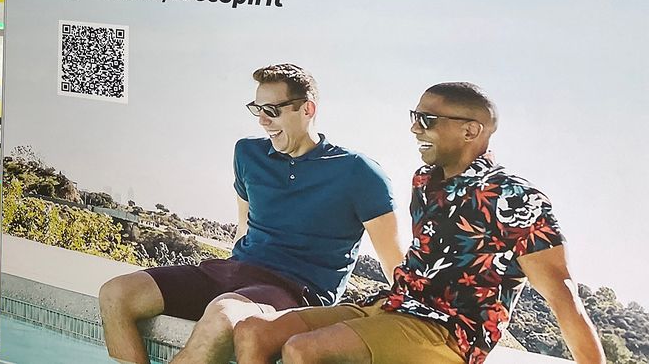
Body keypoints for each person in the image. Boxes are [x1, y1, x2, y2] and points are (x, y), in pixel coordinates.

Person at [232, 82, 605, 364]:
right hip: (394, 306)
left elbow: (563, 296)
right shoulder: (425, 181)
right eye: (415, 118)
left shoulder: (515, 197)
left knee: (304, 350)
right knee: (253, 332)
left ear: (470, 131)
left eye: (427, 120)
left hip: (448, 331)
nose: (415, 129)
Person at [101, 64, 403, 364]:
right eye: (257, 109)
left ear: (307, 109)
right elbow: (244, 225)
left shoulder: (359, 173)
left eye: (272, 110)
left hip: (295, 290)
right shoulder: (247, 154)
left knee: (222, 317)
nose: (262, 120)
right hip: (233, 272)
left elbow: (394, 264)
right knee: (116, 294)